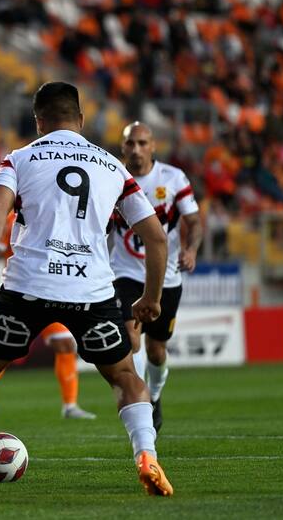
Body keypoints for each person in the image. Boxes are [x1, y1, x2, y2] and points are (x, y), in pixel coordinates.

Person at [0, 82, 173, 502]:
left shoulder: (20, 158)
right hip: (92, 291)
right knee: (125, 377)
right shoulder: (113, 167)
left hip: (27, 286)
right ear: (81, 119)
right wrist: (151, 297)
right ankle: (147, 458)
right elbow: (156, 238)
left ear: (38, 121)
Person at [111, 121, 202, 432]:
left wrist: (191, 249)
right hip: (125, 272)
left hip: (166, 276)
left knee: (156, 350)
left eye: (142, 143)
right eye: (130, 143)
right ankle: (143, 400)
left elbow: (194, 221)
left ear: (152, 146)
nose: (136, 149)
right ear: (123, 147)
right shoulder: (112, 175)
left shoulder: (172, 178)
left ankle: (156, 393)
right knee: (131, 336)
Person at [0, 211, 96, 420]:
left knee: (65, 343)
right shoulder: (11, 219)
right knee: (4, 348)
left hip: (48, 291)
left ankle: (70, 405)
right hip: (19, 291)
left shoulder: (54, 213)